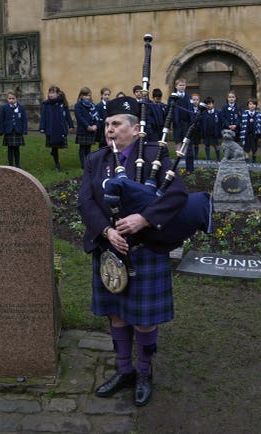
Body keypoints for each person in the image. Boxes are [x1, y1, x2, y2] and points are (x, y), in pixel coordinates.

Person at [77, 96, 188, 407]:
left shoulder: (154, 154)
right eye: (107, 124)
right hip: (109, 248)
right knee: (115, 314)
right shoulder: (96, 160)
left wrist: (144, 218)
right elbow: (85, 201)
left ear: (136, 128)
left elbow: (178, 193)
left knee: (143, 318)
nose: (109, 130)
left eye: (116, 124)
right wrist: (107, 231)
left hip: (145, 248)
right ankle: (123, 369)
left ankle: (144, 372)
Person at [39, 85, 74, 171]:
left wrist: (71, 125)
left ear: (58, 94)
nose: (50, 94)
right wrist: (42, 127)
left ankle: (53, 151)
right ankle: (57, 164)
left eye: (53, 92)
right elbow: (43, 116)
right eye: (49, 92)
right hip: (50, 129)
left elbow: (68, 115)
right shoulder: (46, 104)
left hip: (60, 129)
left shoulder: (62, 104)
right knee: (54, 147)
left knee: (57, 145)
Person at [0, 89, 28, 168]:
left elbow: (24, 119)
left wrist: (24, 130)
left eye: (13, 98)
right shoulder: (4, 108)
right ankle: (11, 165)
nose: (11, 100)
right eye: (9, 98)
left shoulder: (21, 107)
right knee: (10, 149)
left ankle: (17, 164)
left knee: (17, 149)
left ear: (16, 98)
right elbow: (1, 120)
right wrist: (1, 131)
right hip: (8, 131)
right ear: (7, 99)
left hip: (18, 131)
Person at [74, 86, 100, 169]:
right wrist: (87, 126)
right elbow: (79, 117)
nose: (87, 97)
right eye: (85, 95)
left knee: (88, 147)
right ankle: (83, 164)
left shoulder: (92, 105)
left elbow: (96, 116)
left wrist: (96, 125)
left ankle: (88, 162)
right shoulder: (78, 105)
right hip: (83, 129)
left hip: (92, 129)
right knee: (82, 148)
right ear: (81, 95)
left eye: (88, 95)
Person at [170, 78, 192, 158]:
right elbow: (170, 109)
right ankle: (178, 155)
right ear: (176, 86)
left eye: (183, 85)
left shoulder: (188, 97)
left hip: (186, 122)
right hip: (177, 122)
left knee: (185, 139)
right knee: (178, 139)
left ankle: (184, 155)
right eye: (180, 85)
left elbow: (191, 109)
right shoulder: (173, 97)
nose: (182, 87)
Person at [240, 98, 261, 163]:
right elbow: (242, 124)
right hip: (247, 134)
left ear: (256, 105)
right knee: (246, 148)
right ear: (248, 105)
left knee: (254, 148)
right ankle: (247, 161)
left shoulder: (259, 114)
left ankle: (254, 160)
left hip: (255, 134)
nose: (252, 105)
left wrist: (260, 136)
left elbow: (260, 126)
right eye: (250, 104)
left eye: (254, 104)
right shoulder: (244, 114)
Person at [201, 96, 222, 160]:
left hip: (214, 132)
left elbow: (220, 123)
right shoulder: (204, 113)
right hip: (206, 132)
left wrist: (219, 132)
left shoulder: (217, 112)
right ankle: (208, 158)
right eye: (207, 104)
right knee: (207, 145)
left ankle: (218, 158)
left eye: (210, 104)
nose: (209, 105)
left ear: (213, 104)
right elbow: (202, 123)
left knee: (216, 145)